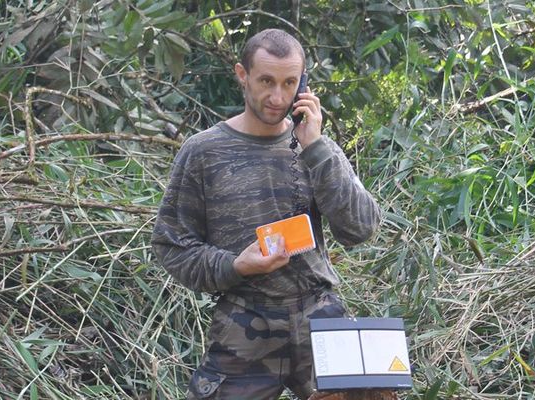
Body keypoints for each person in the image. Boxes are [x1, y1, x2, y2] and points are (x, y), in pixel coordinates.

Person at [151, 28, 381, 400]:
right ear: (242, 75)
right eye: (266, 81)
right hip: (244, 318)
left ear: (304, 83)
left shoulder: (316, 146)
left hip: (318, 313)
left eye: (290, 82)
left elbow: (361, 229)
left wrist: (317, 147)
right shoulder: (203, 152)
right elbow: (172, 246)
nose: (277, 97)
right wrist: (235, 266)